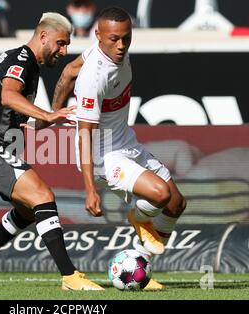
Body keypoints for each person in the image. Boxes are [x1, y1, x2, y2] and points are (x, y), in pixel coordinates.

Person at [0, 12, 103, 291]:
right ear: (43, 36)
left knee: (27, 211)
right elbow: (8, 96)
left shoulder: (31, 67)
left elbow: (27, 122)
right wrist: (48, 116)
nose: (63, 51)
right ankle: (70, 276)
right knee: (43, 196)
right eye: (61, 44)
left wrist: (54, 117)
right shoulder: (21, 59)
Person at [52, 7, 187, 290]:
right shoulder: (94, 77)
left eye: (126, 38)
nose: (121, 46)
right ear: (98, 35)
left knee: (176, 203)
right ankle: (136, 217)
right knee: (160, 195)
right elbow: (84, 137)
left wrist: (55, 111)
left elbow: (67, 72)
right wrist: (89, 189)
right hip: (103, 156)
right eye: (114, 39)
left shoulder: (100, 51)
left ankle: (142, 266)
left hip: (126, 142)